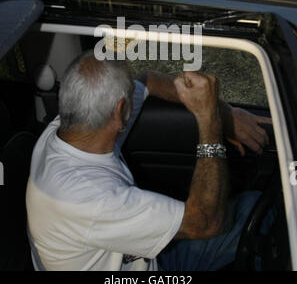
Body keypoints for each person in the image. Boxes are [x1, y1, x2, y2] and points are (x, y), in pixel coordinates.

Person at [26, 51, 270, 271]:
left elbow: (148, 81)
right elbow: (207, 223)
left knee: (253, 207)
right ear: (120, 111)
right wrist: (210, 120)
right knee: (260, 220)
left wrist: (223, 113)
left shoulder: (69, 127)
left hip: (137, 254)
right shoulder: (93, 201)